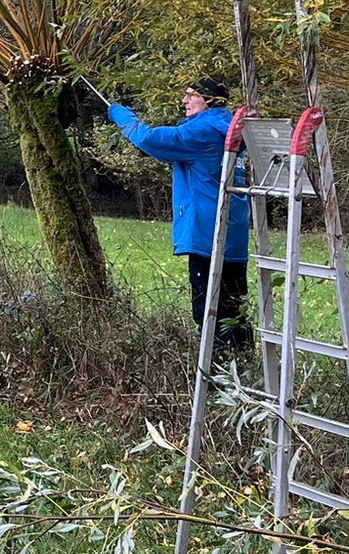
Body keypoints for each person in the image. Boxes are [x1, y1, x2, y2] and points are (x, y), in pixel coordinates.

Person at [106, 75, 253, 357]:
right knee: (235, 311)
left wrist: (119, 113)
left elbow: (150, 139)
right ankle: (244, 369)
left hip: (206, 234)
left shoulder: (204, 131)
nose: (184, 101)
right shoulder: (232, 129)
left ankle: (219, 379)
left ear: (209, 100)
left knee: (210, 313)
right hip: (233, 237)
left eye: (191, 95)